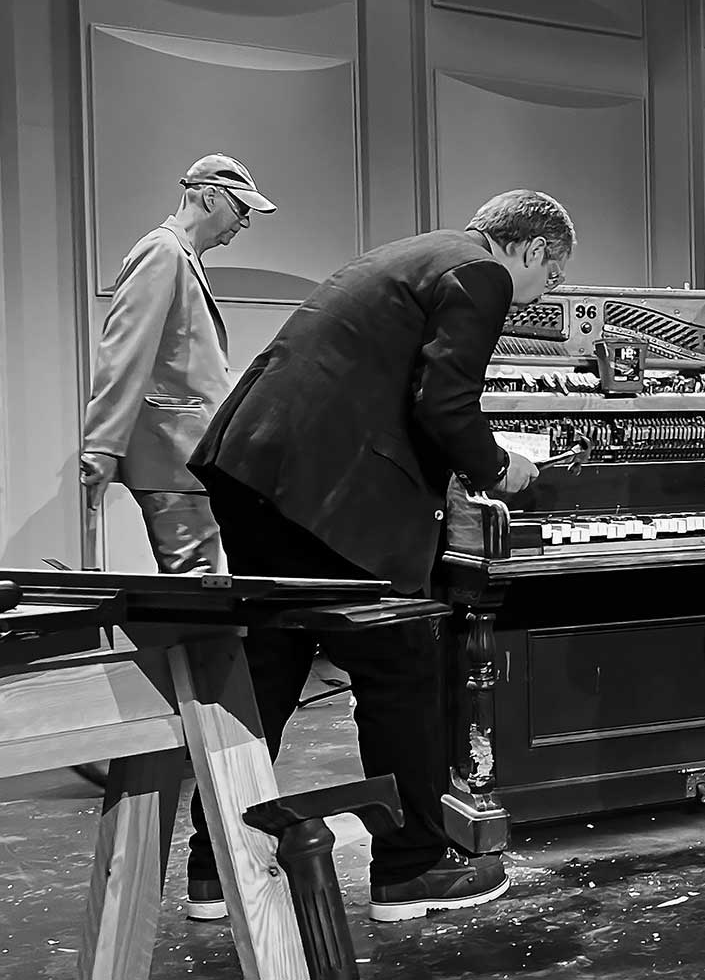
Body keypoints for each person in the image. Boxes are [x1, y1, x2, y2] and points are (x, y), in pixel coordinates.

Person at [182, 190, 571, 923]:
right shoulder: (481, 272)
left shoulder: (417, 253)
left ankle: (214, 870)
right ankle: (410, 869)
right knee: (400, 666)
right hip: (322, 488)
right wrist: (498, 467)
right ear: (528, 250)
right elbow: (444, 403)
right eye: (550, 279)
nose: (537, 298)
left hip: (255, 467)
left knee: (268, 668)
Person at [79, 154, 276, 573]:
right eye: (241, 209)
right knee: (200, 586)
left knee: (202, 587)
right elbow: (125, 350)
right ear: (210, 196)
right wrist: (101, 444)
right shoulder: (162, 251)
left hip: (186, 456)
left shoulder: (180, 256)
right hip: (171, 455)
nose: (244, 223)